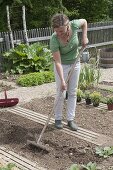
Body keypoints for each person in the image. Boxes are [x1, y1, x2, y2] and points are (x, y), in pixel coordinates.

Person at [50, 13, 88, 131]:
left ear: (67, 26)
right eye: (57, 31)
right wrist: (62, 80)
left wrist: (84, 37)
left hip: (75, 63)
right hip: (62, 65)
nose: (59, 33)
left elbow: (84, 21)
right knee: (61, 92)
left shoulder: (74, 25)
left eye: (61, 31)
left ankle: (70, 120)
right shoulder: (54, 39)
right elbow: (57, 62)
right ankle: (58, 118)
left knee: (72, 92)